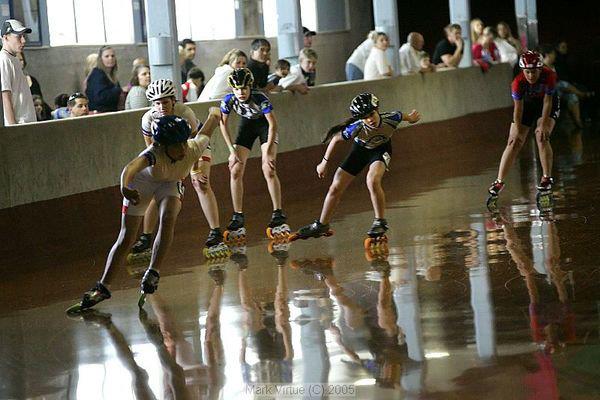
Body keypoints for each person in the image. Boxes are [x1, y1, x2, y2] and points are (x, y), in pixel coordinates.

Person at [67, 111, 221, 313]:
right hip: (142, 184)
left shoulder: (192, 147)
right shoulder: (152, 155)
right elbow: (130, 168)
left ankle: (153, 271)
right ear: (162, 146)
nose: (183, 148)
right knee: (127, 237)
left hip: (170, 182)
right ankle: (103, 286)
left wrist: (214, 113)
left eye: (184, 142)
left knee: (168, 216)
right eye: (177, 145)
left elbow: (209, 127)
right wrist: (124, 188)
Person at [292, 93, 420, 240]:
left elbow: (406, 116)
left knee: (372, 180)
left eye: (371, 114)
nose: (370, 119)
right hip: (360, 151)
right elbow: (335, 140)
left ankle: (380, 221)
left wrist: (412, 118)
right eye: (365, 117)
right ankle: (322, 224)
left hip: (380, 150)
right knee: (335, 187)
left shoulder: (392, 118)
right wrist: (324, 162)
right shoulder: (357, 127)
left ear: (377, 109)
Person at [131, 79, 224, 256]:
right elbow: (151, 149)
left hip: (190, 145)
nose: (161, 107)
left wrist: (195, 169)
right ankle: (145, 237)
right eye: (157, 103)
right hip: (165, 150)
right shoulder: (148, 118)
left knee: (201, 183)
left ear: (174, 100)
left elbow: (196, 142)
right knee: (156, 187)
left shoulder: (185, 112)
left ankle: (215, 231)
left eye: (165, 102)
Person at [219, 68, 289, 239]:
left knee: (269, 168)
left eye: (243, 88)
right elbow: (223, 124)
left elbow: (272, 124)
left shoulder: (260, 98)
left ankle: (278, 212)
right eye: (236, 89)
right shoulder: (228, 100)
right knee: (235, 169)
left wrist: (267, 153)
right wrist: (231, 150)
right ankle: (238, 215)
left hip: (265, 126)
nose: (240, 93)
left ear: (250, 87)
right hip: (247, 126)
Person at [488, 51, 560, 198]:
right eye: (527, 72)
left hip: (547, 104)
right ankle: (499, 181)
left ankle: (546, 178)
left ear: (540, 69)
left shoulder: (549, 75)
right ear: (523, 71)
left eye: (534, 72)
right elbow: (518, 108)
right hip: (527, 105)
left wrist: (543, 124)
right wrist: (516, 127)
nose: (531, 76)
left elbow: (547, 102)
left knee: (541, 136)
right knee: (514, 141)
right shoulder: (517, 82)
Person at [0, 19, 36, 125]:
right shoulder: (3, 60)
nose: (23, 40)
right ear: (5, 38)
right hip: (19, 125)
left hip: (27, 123)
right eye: (19, 37)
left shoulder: (14, 59)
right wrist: (13, 129)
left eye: (23, 36)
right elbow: (5, 96)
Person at [85, 45, 122, 112]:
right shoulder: (97, 74)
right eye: (107, 56)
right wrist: (118, 90)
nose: (110, 58)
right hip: (100, 113)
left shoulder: (111, 74)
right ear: (101, 59)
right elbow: (100, 97)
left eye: (112, 56)